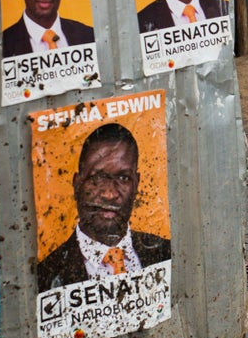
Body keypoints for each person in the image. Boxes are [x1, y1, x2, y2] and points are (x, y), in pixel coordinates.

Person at [37, 123, 171, 290]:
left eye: (123, 178)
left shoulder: (168, 253)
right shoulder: (45, 276)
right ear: (77, 184)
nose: (109, 194)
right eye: (97, 178)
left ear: (137, 184)